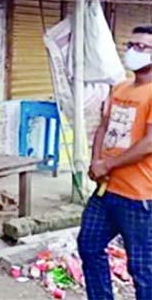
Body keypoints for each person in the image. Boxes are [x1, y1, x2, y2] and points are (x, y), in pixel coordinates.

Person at [79, 25, 152, 300]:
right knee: (89, 245)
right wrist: (96, 159)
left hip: (140, 196)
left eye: (142, 47)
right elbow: (104, 126)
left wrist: (108, 165)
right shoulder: (121, 87)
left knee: (143, 267)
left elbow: (149, 143)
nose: (133, 51)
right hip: (107, 190)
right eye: (130, 45)